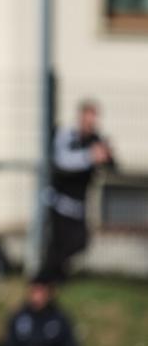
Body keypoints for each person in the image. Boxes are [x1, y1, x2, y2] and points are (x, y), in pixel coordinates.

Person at [40, 101, 115, 281]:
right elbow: (61, 162)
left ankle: (53, 279)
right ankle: (45, 281)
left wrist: (107, 156)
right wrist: (89, 156)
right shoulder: (67, 136)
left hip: (79, 205)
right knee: (56, 247)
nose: (90, 125)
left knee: (79, 243)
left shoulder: (96, 140)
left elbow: (112, 166)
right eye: (87, 120)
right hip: (59, 204)